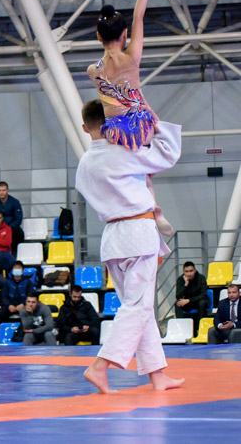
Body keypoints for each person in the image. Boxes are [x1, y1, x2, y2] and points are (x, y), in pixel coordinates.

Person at [76, 98, 184, 393]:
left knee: (138, 307)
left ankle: (157, 374)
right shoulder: (123, 152)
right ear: (112, 123)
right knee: (138, 306)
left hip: (112, 236)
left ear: (85, 128)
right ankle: (100, 365)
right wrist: (149, 114)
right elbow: (168, 152)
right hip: (137, 231)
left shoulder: (85, 164)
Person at [87, 0, 173, 236]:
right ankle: (154, 207)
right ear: (124, 35)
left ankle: (147, 207)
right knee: (144, 170)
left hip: (115, 131)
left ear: (98, 36)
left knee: (131, 172)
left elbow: (113, 99)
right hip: (142, 125)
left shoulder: (93, 70)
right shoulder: (132, 56)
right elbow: (139, 17)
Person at [0, 182, 24, 251]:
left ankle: (16, 253)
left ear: (7, 190)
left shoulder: (15, 202)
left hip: (11, 227)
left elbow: (18, 218)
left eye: (3, 190)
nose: (1, 193)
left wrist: (8, 228)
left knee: (19, 233)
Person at [0, 261, 35, 327]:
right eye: (15, 268)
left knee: (30, 314)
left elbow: (30, 295)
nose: (17, 269)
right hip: (9, 306)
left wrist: (23, 304)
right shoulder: (7, 282)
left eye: (19, 268)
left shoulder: (28, 282)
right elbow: (3, 297)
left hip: (24, 305)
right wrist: (9, 305)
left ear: (22, 270)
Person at [174, 261, 210, 333]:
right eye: (186, 271)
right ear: (183, 272)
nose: (189, 273)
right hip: (189, 302)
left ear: (195, 270)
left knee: (202, 303)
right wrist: (185, 285)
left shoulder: (201, 278)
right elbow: (178, 296)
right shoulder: (180, 279)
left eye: (191, 271)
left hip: (199, 301)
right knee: (177, 303)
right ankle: (181, 329)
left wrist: (189, 300)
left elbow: (203, 295)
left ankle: (200, 328)